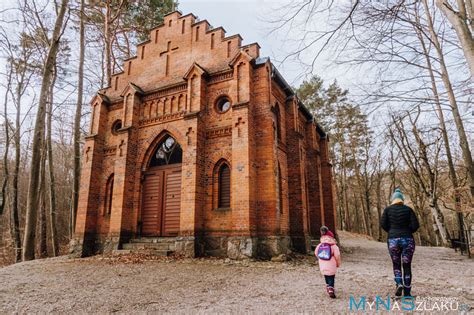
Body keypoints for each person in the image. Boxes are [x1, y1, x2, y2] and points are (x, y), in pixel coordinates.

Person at [381, 188, 420, 297]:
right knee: (407, 265)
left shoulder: (387, 210)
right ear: (402, 199)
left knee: (396, 264)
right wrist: (408, 231)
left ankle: (399, 283)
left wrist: (392, 231)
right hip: (407, 240)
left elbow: (383, 224)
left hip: (393, 240)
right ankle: (407, 293)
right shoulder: (408, 210)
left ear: (393, 199)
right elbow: (415, 225)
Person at [315, 226, 341, 298]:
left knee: (326, 275)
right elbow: (337, 255)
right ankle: (331, 288)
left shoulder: (320, 245)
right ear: (332, 238)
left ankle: (328, 286)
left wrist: (320, 259)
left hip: (323, 264)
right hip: (331, 264)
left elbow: (316, 253)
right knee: (331, 276)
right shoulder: (333, 246)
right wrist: (338, 263)